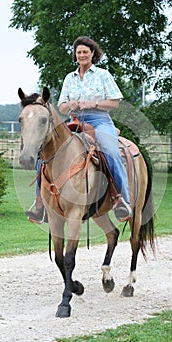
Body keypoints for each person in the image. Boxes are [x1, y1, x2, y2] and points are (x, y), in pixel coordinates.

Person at [58, 36, 132, 222]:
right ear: (75, 55)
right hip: (74, 122)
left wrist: (93, 103)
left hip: (99, 121)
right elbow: (61, 107)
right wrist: (70, 104)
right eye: (79, 52)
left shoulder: (103, 75)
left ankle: (121, 199)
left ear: (93, 54)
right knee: (46, 150)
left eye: (85, 52)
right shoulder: (69, 78)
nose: (82, 55)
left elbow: (114, 103)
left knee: (110, 151)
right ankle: (40, 202)